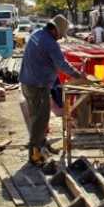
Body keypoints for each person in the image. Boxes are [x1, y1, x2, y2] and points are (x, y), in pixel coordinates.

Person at [19, 14, 84, 166]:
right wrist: (78, 75)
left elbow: (47, 59)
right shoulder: (50, 43)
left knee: (40, 116)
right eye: (60, 35)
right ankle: (35, 156)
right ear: (55, 30)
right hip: (37, 85)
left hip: (28, 82)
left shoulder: (37, 34)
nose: (60, 38)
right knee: (39, 120)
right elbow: (62, 64)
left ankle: (43, 146)